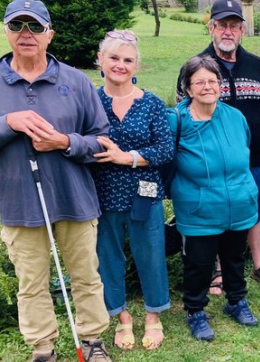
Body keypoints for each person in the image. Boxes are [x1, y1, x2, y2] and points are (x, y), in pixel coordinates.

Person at [0, 0, 112, 362]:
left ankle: (92, 341)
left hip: (75, 199)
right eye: (17, 26)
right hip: (19, 203)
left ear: (49, 34)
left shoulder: (75, 80)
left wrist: (64, 142)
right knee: (32, 283)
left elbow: (101, 142)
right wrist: (6, 124)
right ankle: (43, 348)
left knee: (86, 276)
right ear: (6, 32)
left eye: (35, 26)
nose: (26, 34)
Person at [175, 0, 260, 294]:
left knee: (256, 207)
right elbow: (182, 111)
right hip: (207, 159)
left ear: (242, 31)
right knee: (216, 210)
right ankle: (220, 270)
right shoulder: (196, 67)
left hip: (252, 155)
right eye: (222, 25)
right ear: (211, 28)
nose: (228, 31)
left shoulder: (258, 65)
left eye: (234, 26)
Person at [90, 30, 172, 351]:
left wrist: (130, 157)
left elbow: (165, 149)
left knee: (150, 253)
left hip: (145, 189)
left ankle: (153, 315)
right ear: (101, 60)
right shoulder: (91, 101)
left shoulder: (150, 103)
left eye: (128, 59)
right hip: (102, 190)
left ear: (137, 65)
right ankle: (121, 316)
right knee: (108, 255)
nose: (120, 65)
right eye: (114, 57)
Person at [171, 55, 259, 342]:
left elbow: (244, 151)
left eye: (213, 80)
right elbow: (164, 162)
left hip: (238, 203)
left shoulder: (235, 117)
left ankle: (237, 301)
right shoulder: (177, 121)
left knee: (235, 258)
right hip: (199, 209)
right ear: (187, 88)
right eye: (200, 82)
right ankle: (195, 311)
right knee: (199, 263)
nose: (208, 86)